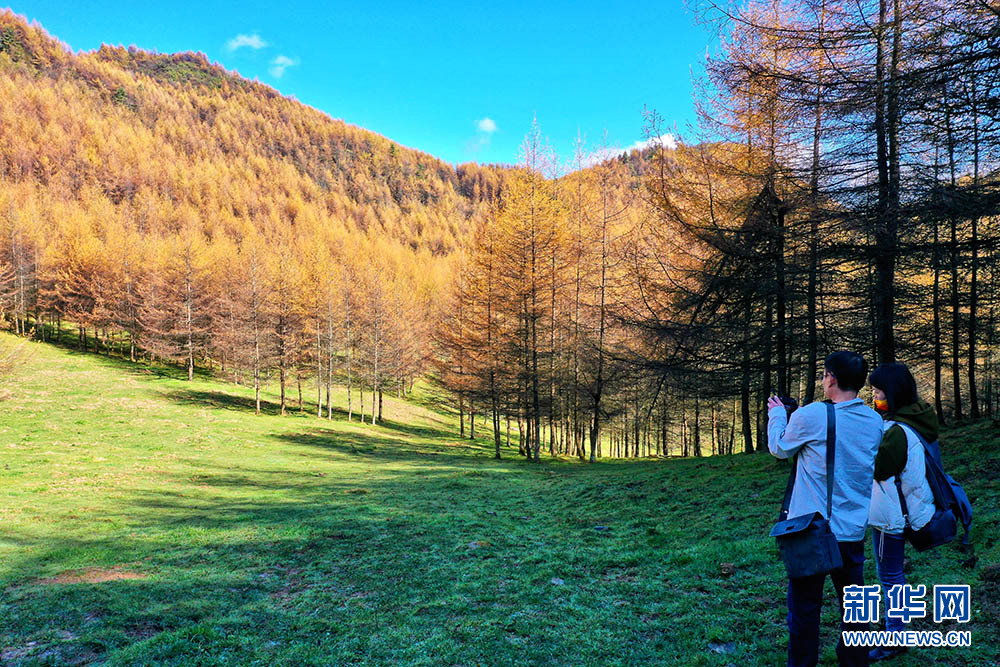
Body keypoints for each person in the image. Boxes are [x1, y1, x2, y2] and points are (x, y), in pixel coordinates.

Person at [767, 351, 884, 667]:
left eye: (824, 375)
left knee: (805, 609)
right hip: (853, 528)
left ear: (831, 378)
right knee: (855, 609)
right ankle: (854, 660)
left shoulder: (813, 415)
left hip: (813, 530)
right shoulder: (875, 421)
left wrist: (778, 414)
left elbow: (779, 448)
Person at [866, 362, 937, 662]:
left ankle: (895, 637)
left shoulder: (896, 430)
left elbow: (880, 469)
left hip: (890, 516)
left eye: (878, 391)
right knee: (894, 576)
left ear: (892, 393)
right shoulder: (918, 417)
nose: (874, 396)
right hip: (913, 507)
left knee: (891, 577)